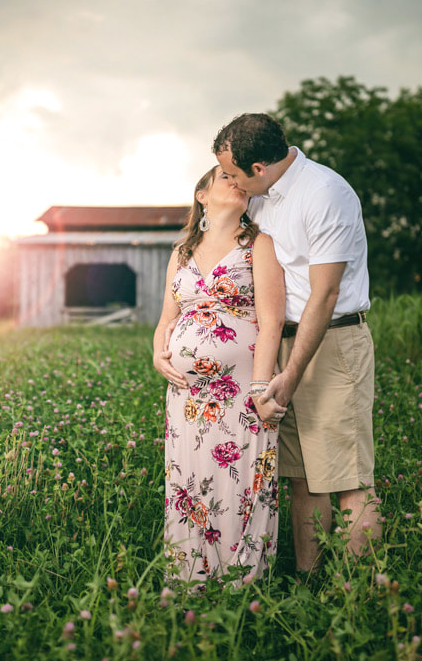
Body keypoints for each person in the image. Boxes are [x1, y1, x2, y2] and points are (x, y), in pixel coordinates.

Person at [212, 112, 382, 574]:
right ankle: (311, 584)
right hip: (282, 344)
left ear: (259, 168)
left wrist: (291, 374)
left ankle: (356, 595)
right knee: (302, 478)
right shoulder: (260, 198)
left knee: (348, 478)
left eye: (231, 173)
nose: (228, 181)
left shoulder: (324, 192)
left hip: (331, 343)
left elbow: (324, 293)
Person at [153, 165, 286, 587]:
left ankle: (240, 581)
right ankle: (190, 577)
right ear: (202, 195)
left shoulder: (258, 245)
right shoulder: (182, 251)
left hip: (241, 391)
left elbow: (271, 321)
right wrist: (159, 353)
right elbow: (166, 318)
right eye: (224, 176)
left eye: (238, 177)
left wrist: (260, 388)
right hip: (188, 395)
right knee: (191, 478)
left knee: (241, 479)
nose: (236, 180)